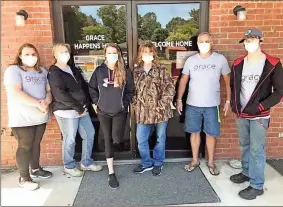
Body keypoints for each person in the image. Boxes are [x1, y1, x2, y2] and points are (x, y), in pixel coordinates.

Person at [230, 28, 283, 200]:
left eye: (252, 39)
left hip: (260, 116)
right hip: (242, 114)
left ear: (261, 40)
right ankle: (246, 172)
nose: (249, 43)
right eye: (246, 40)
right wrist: (234, 105)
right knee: (244, 145)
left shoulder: (272, 63)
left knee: (256, 149)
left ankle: (257, 185)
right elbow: (234, 87)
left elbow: (279, 92)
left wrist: (261, 106)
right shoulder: (238, 63)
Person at [176, 32, 231, 175]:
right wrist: (179, 99)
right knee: (194, 133)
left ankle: (211, 162)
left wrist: (228, 100)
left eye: (206, 41)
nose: (204, 44)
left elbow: (227, 81)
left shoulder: (220, 59)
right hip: (193, 104)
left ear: (211, 42)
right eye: (201, 41)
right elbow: (183, 80)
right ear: (198, 43)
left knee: (211, 134)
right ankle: (195, 160)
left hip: (212, 105)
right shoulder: (191, 60)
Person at [48, 43, 103, 177]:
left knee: (89, 133)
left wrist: (87, 103)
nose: (65, 54)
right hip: (66, 111)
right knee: (70, 138)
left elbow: (83, 86)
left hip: (81, 109)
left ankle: (86, 162)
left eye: (66, 51)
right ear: (54, 55)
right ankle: (69, 165)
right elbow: (60, 94)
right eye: (61, 52)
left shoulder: (73, 69)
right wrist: (78, 107)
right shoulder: (54, 72)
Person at [4, 43, 52, 190]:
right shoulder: (13, 70)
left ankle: (36, 169)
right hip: (22, 118)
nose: (30, 57)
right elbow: (15, 92)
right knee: (25, 146)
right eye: (26, 54)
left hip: (40, 116)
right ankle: (24, 177)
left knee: (36, 144)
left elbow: (49, 90)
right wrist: (37, 104)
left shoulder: (42, 71)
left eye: (33, 54)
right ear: (20, 55)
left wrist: (46, 102)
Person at [89, 43, 133, 188]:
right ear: (105, 54)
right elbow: (92, 89)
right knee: (107, 138)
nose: (112, 55)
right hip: (103, 112)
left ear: (119, 54)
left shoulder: (125, 71)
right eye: (109, 52)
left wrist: (124, 104)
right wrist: (97, 103)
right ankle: (111, 172)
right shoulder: (99, 71)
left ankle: (114, 147)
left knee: (116, 138)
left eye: (115, 52)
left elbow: (130, 91)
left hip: (120, 111)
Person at [132, 41, 175, 176]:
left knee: (160, 138)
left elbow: (169, 88)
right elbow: (132, 91)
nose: (147, 54)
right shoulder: (136, 71)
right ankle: (146, 163)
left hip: (160, 111)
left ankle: (158, 163)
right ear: (141, 54)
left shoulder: (161, 69)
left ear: (154, 53)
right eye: (145, 52)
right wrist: (135, 103)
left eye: (150, 52)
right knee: (141, 139)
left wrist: (161, 105)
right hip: (143, 112)